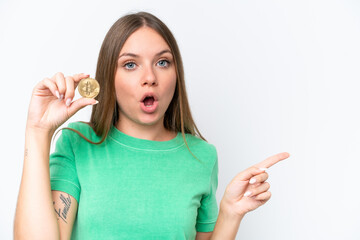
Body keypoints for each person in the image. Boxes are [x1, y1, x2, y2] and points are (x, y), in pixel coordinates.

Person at [14, 12, 289, 240]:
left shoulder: (202, 155)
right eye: (131, 64)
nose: (149, 77)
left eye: (162, 62)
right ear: (109, 77)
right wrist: (38, 132)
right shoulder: (77, 144)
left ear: (176, 75)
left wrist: (230, 212)